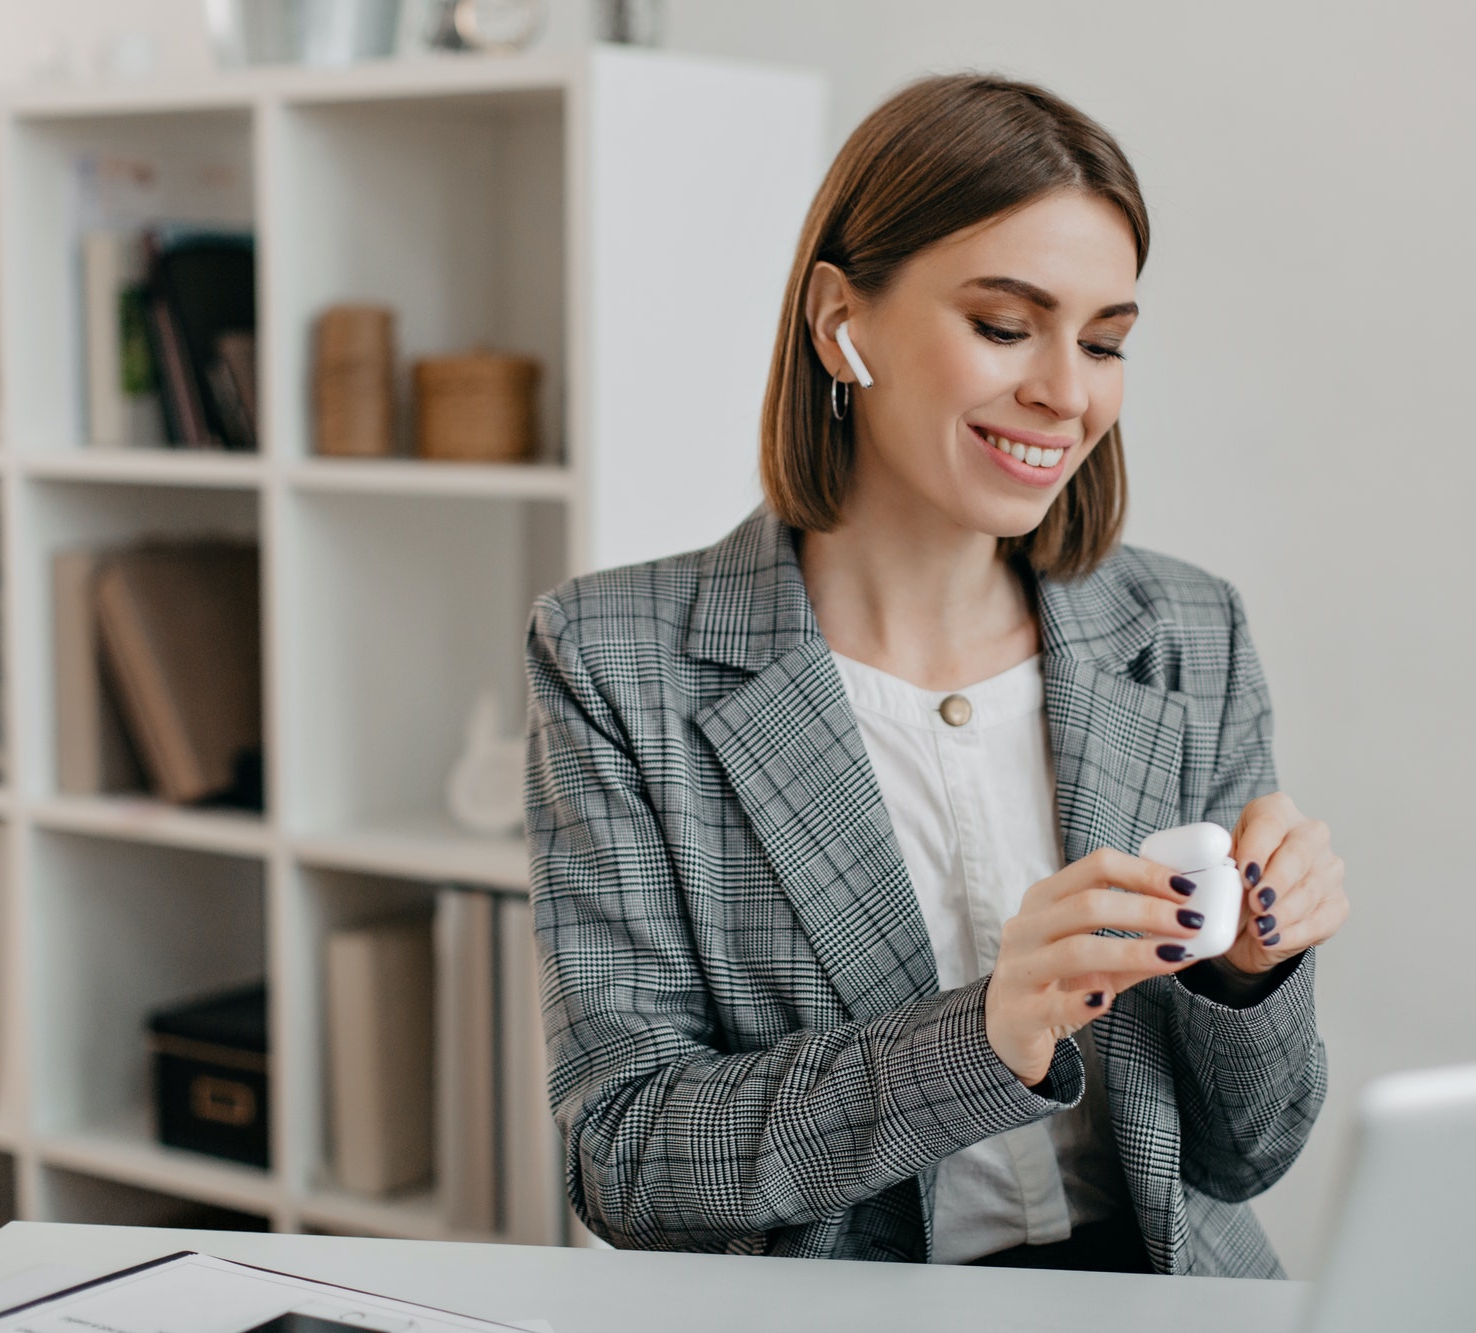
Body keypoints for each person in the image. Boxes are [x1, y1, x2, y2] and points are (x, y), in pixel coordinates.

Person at [523, 73, 1350, 1276]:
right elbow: (628, 1159)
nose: (1067, 394)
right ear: (836, 322)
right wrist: (979, 1037)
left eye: (1105, 340)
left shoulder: (1185, 630)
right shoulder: (613, 658)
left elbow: (1246, 1155)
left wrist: (1247, 978)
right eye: (1005, 326)